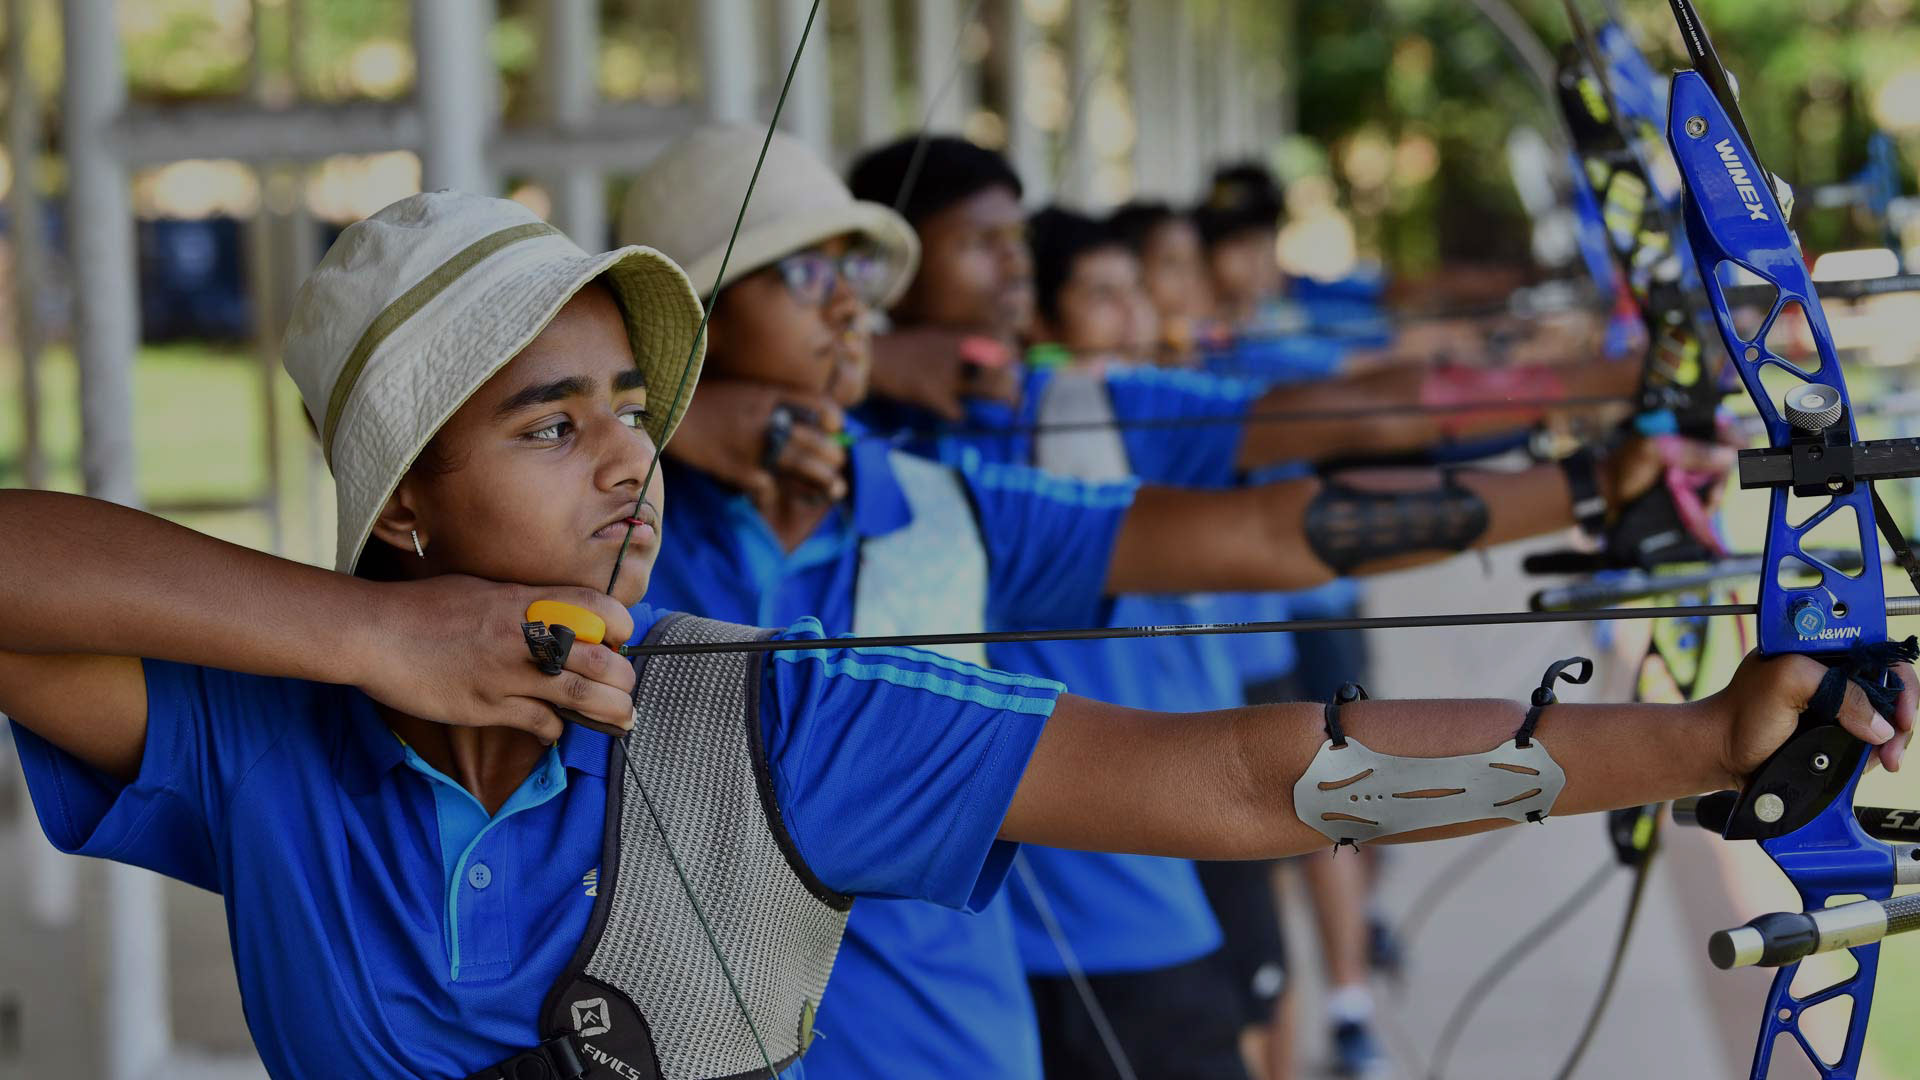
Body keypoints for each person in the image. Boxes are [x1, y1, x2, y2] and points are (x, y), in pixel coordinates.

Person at [4, 191, 1909, 1080]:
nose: (626, 469)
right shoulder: (260, 735)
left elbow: (1243, 771)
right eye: (547, 422)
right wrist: (370, 646)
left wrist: (1707, 748)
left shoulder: (764, 718)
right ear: (402, 500)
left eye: (628, 411)